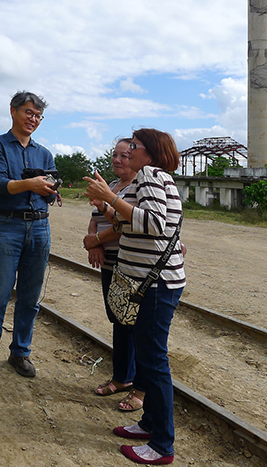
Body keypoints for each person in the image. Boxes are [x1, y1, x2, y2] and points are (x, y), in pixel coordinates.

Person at [84, 128, 185, 465]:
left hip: (155, 286)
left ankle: (162, 446)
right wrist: (105, 203)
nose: (129, 150)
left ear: (150, 153)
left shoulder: (151, 175)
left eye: (135, 145)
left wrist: (111, 199)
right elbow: (131, 224)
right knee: (147, 357)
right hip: (150, 284)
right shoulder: (152, 177)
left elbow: (153, 224)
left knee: (154, 362)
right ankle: (149, 424)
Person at [0, 91, 58, 380]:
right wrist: (30, 184)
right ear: (13, 111)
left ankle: (20, 352)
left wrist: (50, 189)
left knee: (30, 297)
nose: (33, 119)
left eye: (38, 116)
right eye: (28, 112)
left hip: (40, 227)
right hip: (8, 225)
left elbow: (50, 189)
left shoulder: (44, 153)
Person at [82, 138, 145, 412]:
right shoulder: (112, 185)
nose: (118, 160)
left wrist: (96, 240)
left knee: (131, 323)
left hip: (128, 263)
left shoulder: (138, 187)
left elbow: (126, 225)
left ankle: (137, 384)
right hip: (109, 263)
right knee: (117, 320)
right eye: (114, 155)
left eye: (124, 155)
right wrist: (93, 242)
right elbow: (96, 217)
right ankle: (122, 377)